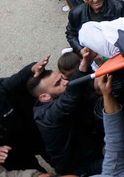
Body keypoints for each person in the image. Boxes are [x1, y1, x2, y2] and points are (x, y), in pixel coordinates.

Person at [28, 48, 103, 176]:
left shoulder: (63, 93)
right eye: (58, 83)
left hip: (92, 148)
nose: (66, 82)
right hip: (80, 168)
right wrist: (83, 66)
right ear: (45, 97)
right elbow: (68, 100)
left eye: (62, 78)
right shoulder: (46, 116)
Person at [0, 57, 50, 172]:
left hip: (31, 133)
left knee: (55, 158)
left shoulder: (4, 88)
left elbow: (18, 79)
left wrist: (33, 68)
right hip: (10, 152)